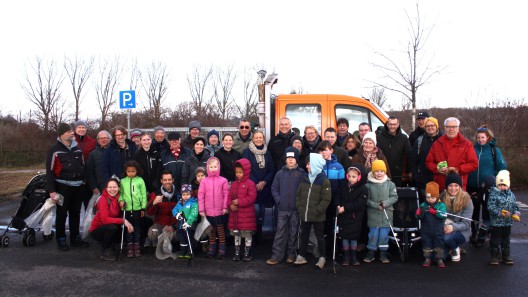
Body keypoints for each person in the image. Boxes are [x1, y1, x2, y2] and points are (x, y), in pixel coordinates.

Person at [46, 122, 89, 251]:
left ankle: (75, 237)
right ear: (62, 134)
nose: (72, 133)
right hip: (62, 187)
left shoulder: (77, 149)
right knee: (62, 214)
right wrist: (52, 191)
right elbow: (50, 171)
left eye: (72, 131)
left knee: (76, 213)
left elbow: (83, 166)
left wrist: (84, 181)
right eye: (69, 131)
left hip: (77, 186)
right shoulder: (54, 150)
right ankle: (61, 239)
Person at [467, 125, 507, 244]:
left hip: (489, 186)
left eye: (483, 137)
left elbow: (502, 167)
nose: (480, 139)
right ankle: (473, 232)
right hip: (472, 185)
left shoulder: (494, 150)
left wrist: (495, 179)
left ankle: (484, 233)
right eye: (478, 137)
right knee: (473, 210)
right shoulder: (472, 148)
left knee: (487, 211)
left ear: (488, 137)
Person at [267, 147, 304, 265]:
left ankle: (291, 255)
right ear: (285, 160)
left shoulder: (301, 174)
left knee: (294, 232)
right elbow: (274, 188)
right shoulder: (279, 173)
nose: (291, 160)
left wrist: (299, 203)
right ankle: (276, 255)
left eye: (293, 158)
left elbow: (303, 191)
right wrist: (279, 200)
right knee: (280, 232)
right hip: (282, 209)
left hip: (295, 209)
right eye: (288, 158)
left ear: (297, 159)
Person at [294, 153, 331, 269]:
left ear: (315, 165)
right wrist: (300, 207)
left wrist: (317, 210)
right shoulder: (305, 177)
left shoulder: (324, 180)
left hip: (317, 215)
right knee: (303, 235)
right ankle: (301, 255)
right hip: (304, 213)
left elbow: (326, 199)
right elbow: (299, 195)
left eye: (309, 164)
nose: (307, 166)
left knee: (319, 236)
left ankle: (322, 257)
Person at [425, 117, 478, 192]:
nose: (451, 129)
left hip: (458, 186)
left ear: (458, 128)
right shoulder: (437, 144)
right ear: (444, 128)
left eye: (454, 127)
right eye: (448, 127)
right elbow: (428, 162)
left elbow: (474, 164)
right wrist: (437, 169)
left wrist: (457, 169)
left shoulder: (466, 144)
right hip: (441, 186)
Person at [242, 130, 276, 241]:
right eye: (256, 137)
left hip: (265, 187)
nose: (258, 139)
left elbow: (272, 169)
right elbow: (246, 169)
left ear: (263, 138)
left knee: (262, 212)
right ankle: (252, 237)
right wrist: (256, 183)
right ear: (253, 139)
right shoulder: (247, 152)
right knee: (254, 211)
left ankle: (261, 237)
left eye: (260, 137)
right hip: (252, 187)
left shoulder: (268, 153)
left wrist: (264, 182)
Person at [90, 178, 134, 261]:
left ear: (119, 188)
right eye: (110, 187)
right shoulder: (103, 199)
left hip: (111, 225)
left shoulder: (119, 198)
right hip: (98, 229)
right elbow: (105, 220)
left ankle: (113, 245)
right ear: (106, 188)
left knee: (119, 228)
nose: (112, 190)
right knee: (112, 227)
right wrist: (124, 221)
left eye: (115, 187)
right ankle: (105, 250)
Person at [363, 160, 398, 264]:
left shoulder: (390, 184)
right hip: (373, 214)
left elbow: (394, 197)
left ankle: (383, 252)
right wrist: (375, 205)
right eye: (377, 171)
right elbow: (366, 200)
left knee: (384, 234)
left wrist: (386, 203)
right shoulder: (368, 185)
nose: (379, 173)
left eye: (381, 171)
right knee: (373, 234)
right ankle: (371, 252)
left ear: (385, 172)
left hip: (386, 214)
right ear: (373, 172)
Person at [318, 140, 346, 259]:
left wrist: (338, 202)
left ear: (331, 151)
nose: (323, 152)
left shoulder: (338, 166)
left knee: (332, 227)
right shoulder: (318, 165)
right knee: (321, 226)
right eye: (321, 150)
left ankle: (333, 250)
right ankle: (321, 252)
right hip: (321, 200)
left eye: (326, 150)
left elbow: (341, 186)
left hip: (334, 200)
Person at [198, 157, 229, 258]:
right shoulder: (204, 181)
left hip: (220, 211)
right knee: (211, 231)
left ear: (219, 167)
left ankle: (222, 249)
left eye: (215, 166)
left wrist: (225, 207)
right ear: (207, 168)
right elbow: (201, 195)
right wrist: (201, 209)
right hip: (208, 211)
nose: (213, 169)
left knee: (220, 230)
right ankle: (211, 249)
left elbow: (226, 195)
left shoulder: (223, 180)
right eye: (211, 167)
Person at [337, 165, 368, 266]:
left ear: (359, 177)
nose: (351, 179)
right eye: (349, 176)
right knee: (345, 237)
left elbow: (360, 203)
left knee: (354, 237)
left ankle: (354, 257)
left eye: (353, 177)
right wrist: (337, 205)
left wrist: (345, 208)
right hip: (343, 216)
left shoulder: (363, 189)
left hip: (355, 217)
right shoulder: (343, 186)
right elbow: (338, 196)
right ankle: (346, 257)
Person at [488, 170, 520, 265]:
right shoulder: (493, 194)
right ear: (497, 185)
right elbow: (490, 207)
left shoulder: (512, 195)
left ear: (508, 185)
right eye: (500, 184)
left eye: (504, 184)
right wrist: (500, 213)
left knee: (506, 239)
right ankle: (494, 256)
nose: (502, 187)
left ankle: (506, 256)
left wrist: (516, 214)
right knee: (496, 239)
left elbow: (515, 206)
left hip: (507, 222)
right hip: (497, 222)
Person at [228, 159, 257, 261]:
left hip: (247, 215)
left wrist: (239, 202)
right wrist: (230, 205)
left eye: (240, 172)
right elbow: (229, 196)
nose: (238, 174)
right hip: (235, 214)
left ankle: (247, 252)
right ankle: (237, 252)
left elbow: (252, 198)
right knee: (237, 234)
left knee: (247, 234)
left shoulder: (250, 184)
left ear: (246, 171)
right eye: (236, 172)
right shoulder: (233, 184)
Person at [440, 173, 473, 262]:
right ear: (446, 187)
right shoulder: (441, 197)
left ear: (460, 186)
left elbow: (466, 224)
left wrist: (452, 227)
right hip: (444, 229)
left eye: (456, 185)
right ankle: (448, 247)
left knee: (447, 238)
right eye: (450, 185)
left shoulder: (467, 200)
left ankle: (455, 247)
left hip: (461, 231)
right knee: (437, 258)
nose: (453, 188)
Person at [119, 160, 147, 258]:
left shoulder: (140, 180)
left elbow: (143, 195)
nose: (131, 173)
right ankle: (130, 248)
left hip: (137, 209)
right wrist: (121, 201)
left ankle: (137, 247)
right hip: (126, 209)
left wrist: (143, 208)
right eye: (129, 171)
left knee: (137, 228)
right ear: (125, 171)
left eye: (133, 171)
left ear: (137, 171)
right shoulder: (123, 181)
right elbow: (121, 194)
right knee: (128, 229)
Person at [415, 182, 447, 268]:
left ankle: (439, 259)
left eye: (432, 197)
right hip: (426, 230)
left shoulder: (441, 205)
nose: (430, 199)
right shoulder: (423, 205)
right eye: (428, 197)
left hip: (438, 230)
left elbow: (444, 215)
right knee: (426, 244)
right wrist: (418, 214)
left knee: (439, 244)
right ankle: (427, 258)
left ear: (437, 197)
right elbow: (418, 218)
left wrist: (436, 212)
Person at [410, 117, 443, 197]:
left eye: (432, 125)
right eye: (427, 126)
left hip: (441, 180)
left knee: (441, 207)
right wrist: (417, 177)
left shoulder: (443, 140)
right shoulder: (419, 141)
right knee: (426, 207)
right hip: (424, 181)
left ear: (437, 126)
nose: (430, 128)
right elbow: (413, 161)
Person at [376, 115, 412, 187]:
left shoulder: (403, 138)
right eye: (390, 124)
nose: (392, 126)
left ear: (398, 124)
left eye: (394, 124)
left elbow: (409, 155)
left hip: (399, 174)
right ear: (387, 124)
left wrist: (409, 171)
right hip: (382, 173)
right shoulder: (379, 137)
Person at [146, 170, 178, 248]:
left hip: (174, 226)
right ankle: (160, 242)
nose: (167, 182)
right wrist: (154, 203)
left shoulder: (179, 194)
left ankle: (168, 243)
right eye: (165, 180)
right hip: (160, 225)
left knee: (180, 234)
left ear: (173, 180)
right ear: (161, 181)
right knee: (152, 234)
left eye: (169, 179)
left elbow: (183, 213)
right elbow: (148, 213)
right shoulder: (156, 194)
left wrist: (174, 227)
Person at [73, 120, 96, 209]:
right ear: (75, 129)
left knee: (88, 203)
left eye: (83, 127)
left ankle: (88, 222)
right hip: (75, 176)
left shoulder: (92, 141)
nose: (81, 129)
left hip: (88, 175)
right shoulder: (70, 140)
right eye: (79, 127)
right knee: (75, 205)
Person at [161, 131, 192, 197]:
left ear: (180, 140)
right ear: (169, 142)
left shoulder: (188, 152)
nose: (174, 142)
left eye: (176, 140)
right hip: (170, 188)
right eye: (172, 140)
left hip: (185, 187)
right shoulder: (163, 154)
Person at [172, 184, 199, 259]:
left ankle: (189, 251)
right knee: (182, 237)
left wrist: (189, 222)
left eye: (187, 194)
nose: (185, 196)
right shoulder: (179, 202)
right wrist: (176, 214)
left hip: (190, 223)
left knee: (189, 237)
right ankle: (182, 251)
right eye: (183, 194)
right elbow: (174, 209)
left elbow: (194, 213)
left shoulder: (193, 203)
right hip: (181, 223)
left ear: (191, 194)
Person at [86, 130, 112, 194]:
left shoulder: (115, 151)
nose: (103, 140)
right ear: (98, 140)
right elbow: (90, 172)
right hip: (100, 188)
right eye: (101, 138)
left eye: (105, 138)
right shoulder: (93, 154)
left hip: (114, 187)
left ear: (110, 139)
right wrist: (93, 187)